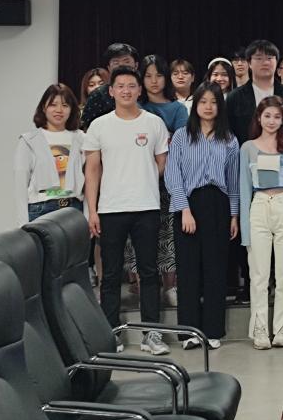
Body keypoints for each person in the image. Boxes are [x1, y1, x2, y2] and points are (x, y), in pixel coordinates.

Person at [84, 66, 170, 355]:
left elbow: (161, 163)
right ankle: (111, 333)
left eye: (131, 85)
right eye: (120, 86)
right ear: (111, 91)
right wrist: (92, 210)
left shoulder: (154, 123)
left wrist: (140, 179)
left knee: (149, 272)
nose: (126, 91)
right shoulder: (99, 126)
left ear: (139, 90)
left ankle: (152, 333)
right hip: (111, 209)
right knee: (110, 275)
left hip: (146, 206)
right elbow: (92, 171)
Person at [165, 82, 239, 350]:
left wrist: (234, 215)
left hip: (218, 205)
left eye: (214, 102)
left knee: (215, 269)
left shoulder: (229, 140)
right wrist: (184, 209)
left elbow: (233, 181)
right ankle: (189, 332)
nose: (208, 107)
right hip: (188, 205)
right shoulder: (182, 136)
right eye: (203, 101)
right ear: (195, 104)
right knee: (188, 271)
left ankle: (212, 330)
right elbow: (172, 175)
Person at [239, 96, 283, 349]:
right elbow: (244, 189)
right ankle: (259, 330)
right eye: (267, 115)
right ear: (259, 118)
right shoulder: (247, 148)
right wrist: (245, 231)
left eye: (277, 117)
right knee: (259, 274)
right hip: (258, 206)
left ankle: (282, 328)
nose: (271, 121)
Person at [138, 54, 188, 308]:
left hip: (168, 180)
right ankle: (143, 286)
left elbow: (180, 144)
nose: (154, 81)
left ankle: (171, 285)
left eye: (158, 75)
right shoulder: (136, 107)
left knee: (168, 233)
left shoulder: (177, 109)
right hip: (138, 181)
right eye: (148, 76)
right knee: (141, 237)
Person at [14, 83, 85, 224]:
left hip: (74, 209)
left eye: (65, 105)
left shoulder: (82, 139)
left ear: (72, 109)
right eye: (53, 105)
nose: (59, 110)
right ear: (43, 107)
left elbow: (89, 182)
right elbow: (20, 185)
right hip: (41, 209)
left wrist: (87, 216)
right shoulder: (29, 140)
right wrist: (23, 225)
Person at [226, 40, 283, 155]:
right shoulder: (235, 97)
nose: (265, 63)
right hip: (247, 159)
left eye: (269, 58)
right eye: (259, 58)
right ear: (249, 63)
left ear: (276, 62)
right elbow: (229, 136)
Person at [80, 42, 140, 130]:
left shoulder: (145, 89)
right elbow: (86, 127)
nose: (121, 66)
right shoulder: (98, 94)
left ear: (136, 65)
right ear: (109, 68)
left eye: (126, 61)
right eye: (116, 62)